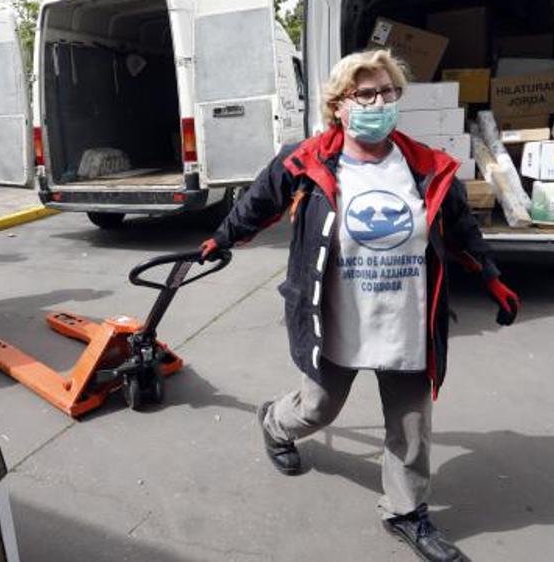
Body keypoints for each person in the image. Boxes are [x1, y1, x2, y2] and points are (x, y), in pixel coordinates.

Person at [201, 50, 520, 562]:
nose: (379, 103)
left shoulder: (426, 165)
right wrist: (222, 238)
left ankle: (406, 511)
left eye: (388, 93)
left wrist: (491, 276)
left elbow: (461, 227)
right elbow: (258, 201)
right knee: (318, 408)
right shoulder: (306, 161)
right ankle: (274, 424)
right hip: (336, 320)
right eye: (366, 94)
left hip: (407, 320)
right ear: (339, 106)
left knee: (411, 426)